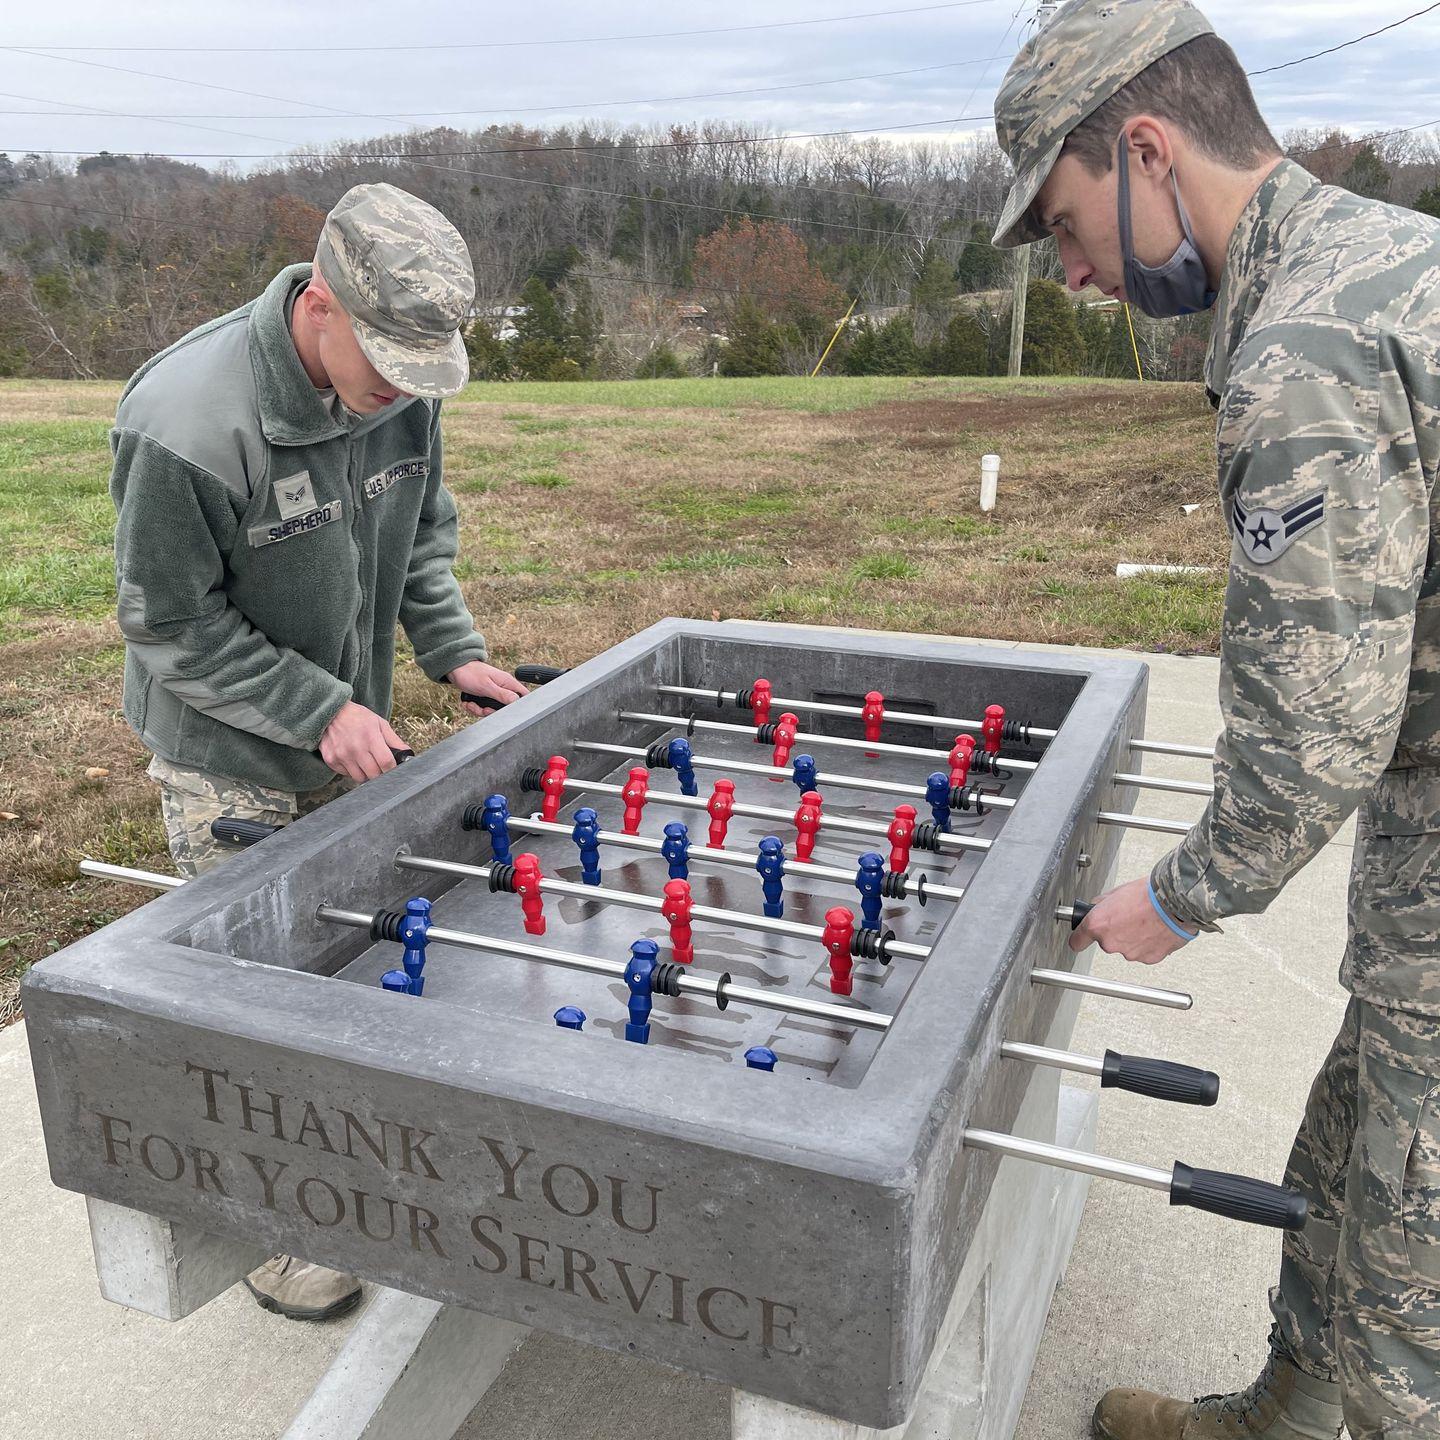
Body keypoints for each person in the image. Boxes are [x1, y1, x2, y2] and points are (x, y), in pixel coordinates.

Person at [991, 3, 1440, 1437]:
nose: (1072, 271)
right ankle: (1288, 1415)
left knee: (1412, 1252)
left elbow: (1317, 734)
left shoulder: (1303, 346)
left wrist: (1182, 896)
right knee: (1365, 1135)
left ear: (1147, 150)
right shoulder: (1378, 254)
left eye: (1067, 225)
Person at [109, 182, 525, 1320]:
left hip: (351, 737)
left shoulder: (399, 392)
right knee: (250, 1005)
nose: (403, 388)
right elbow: (166, 621)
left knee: (345, 973)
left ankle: (360, 1172)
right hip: (228, 755)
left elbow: (421, 535)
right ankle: (272, 1231)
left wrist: (454, 653)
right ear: (322, 303)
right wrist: (315, 707)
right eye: (387, 358)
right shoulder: (189, 422)